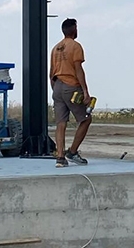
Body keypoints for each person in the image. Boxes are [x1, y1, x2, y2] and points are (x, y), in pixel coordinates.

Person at [49, 17, 91, 168]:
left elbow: (51, 72)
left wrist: (55, 89)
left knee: (61, 124)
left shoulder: (56, 48)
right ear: (74, 29)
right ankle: (72, 152)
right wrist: (85, 91)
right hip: (71, 86)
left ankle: (60, 158)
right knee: (85, 119)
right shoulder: (75, 46)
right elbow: (78, 69)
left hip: (57, 86)